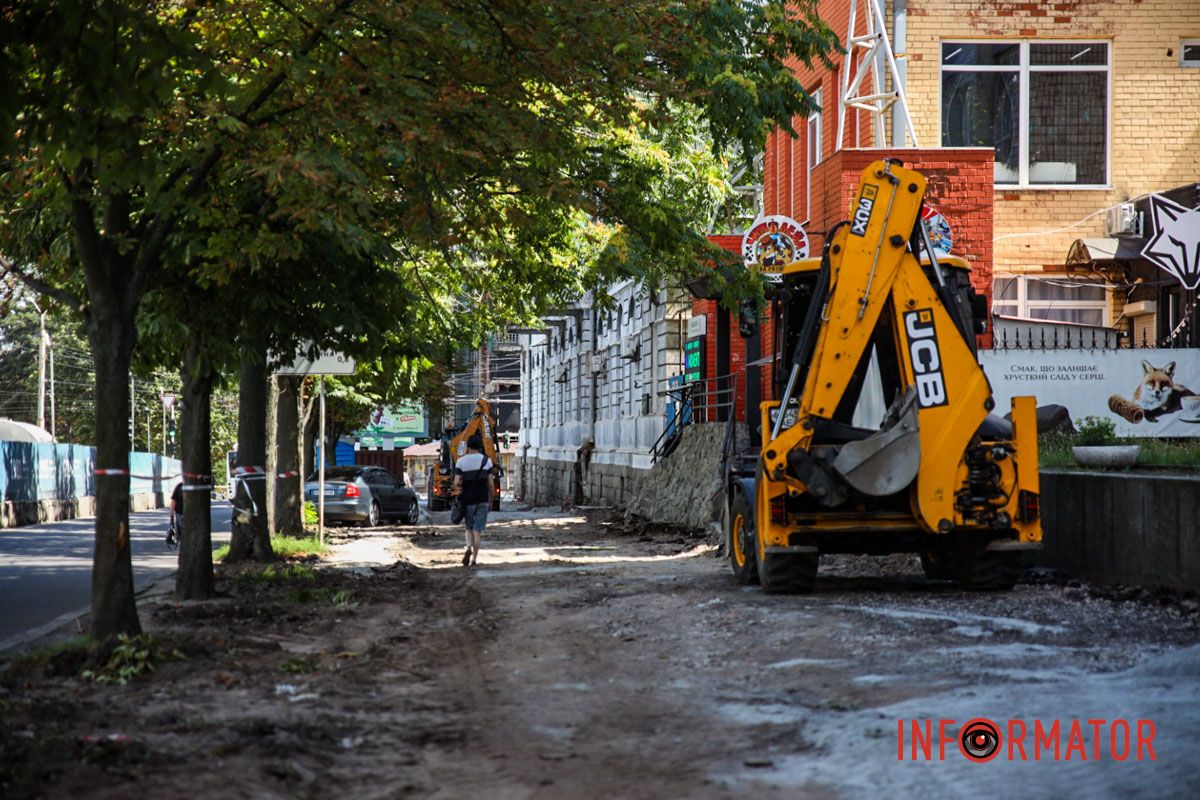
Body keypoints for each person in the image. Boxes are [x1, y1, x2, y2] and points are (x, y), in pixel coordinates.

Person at [453, 434, 493, 567]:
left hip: (468, 500)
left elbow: (456, 482)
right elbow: (490, 484)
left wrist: (459, 487)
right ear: (480, 446)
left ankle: (468, 547)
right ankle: (474, 560)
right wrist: (491, 499)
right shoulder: (487, 461)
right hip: (482, 500)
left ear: (468, 446)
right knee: (477, 530)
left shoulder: (461, 461)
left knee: (468, 528)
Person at [167, 480, 184, 547]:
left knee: (181, 534)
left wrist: (171, 517)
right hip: (181, 514)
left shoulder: (179, 486)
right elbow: (173, 502)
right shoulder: (179, 486)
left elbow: (173, 502)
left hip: (180, 515)